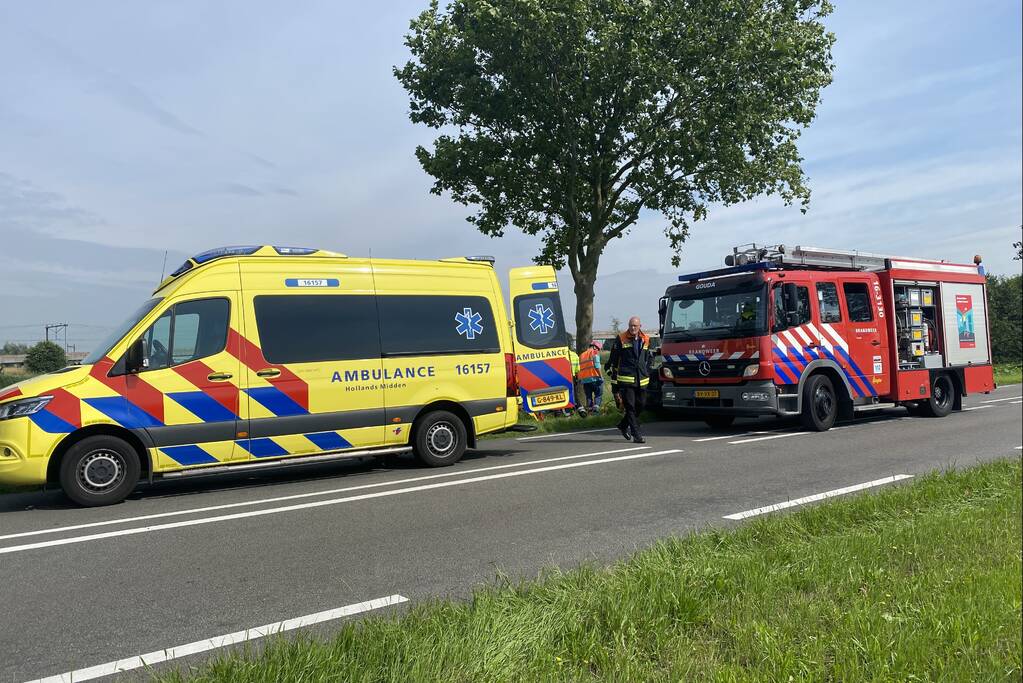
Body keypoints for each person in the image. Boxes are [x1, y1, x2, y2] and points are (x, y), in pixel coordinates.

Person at [607, 317, 653, 443]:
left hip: (641, 379)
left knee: (641, 405)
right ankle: (637, 435)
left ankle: (623, 425)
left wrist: (647, 370)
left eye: (635, 326)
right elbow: (614, 359)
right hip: (626, 379)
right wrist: (614, 379)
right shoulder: (621, 338)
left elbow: (649, 358)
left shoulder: (646, 339)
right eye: (631, 325)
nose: (633, 328)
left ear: (640, 326)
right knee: (630, 407)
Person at [578, 339, 604, 413]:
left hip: (585, 380)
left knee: (588, 397)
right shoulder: (594, 353)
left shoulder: (581, 355)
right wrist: (601, 376)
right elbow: (597, 366)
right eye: (598, 349)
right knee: (598, 395)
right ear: (595, 347)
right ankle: (595, 411)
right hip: (595, 379)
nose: (598, 351)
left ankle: (589, 411)